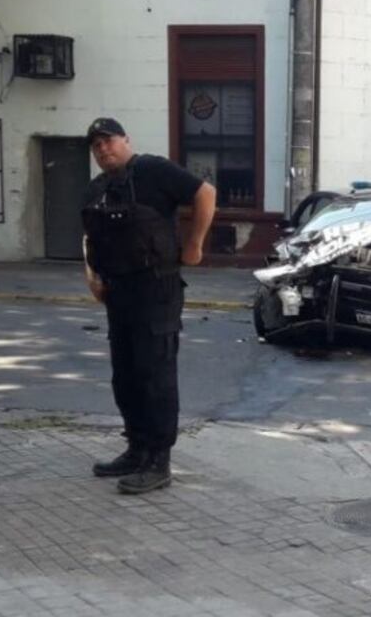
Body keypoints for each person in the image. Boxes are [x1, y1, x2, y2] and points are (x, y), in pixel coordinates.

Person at [81, 118, 216, 494]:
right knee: (125, 376)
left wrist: (194, 245)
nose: (103, 149)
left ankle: (159, 461)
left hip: (156, 288)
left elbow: (205, 193)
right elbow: (89, 235)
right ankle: (137, 449)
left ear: (125, 139)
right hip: (118, 291)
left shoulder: (153, 170)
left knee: (154, 376)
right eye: (96, 146)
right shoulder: (99, 187)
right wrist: (92, 276)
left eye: (108, 141)